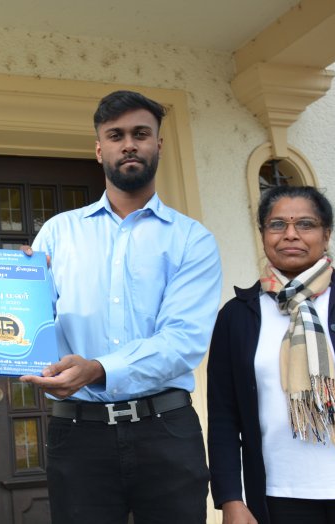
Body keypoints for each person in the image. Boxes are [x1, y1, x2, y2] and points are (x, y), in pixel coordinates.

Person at [20, 90, 222, 523]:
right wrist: (8, 289)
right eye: (116, 135)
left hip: (165, 430)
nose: (128, 143)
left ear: (158, 145)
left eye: (140, 133)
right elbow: (33, 322)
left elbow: (183, 341)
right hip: (77, 434)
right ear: (99, 149)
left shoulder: (192, 240)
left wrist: (98, 368)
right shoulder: (57, 233)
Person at [207, 185, 335, 524]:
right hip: (279, 497)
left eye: (305, 224)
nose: (291, 234)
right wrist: (230, 498)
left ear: (326, 233)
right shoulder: (237, 316)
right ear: (263, 235)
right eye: (277, 225)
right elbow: (223, 418)